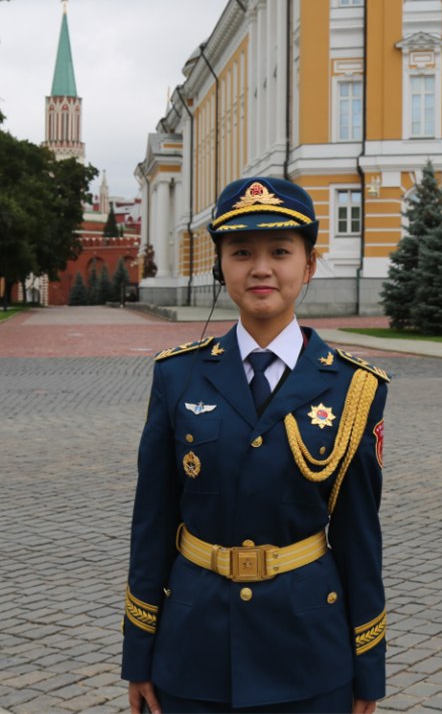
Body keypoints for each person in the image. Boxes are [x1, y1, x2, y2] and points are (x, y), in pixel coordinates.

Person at [122, 177, 388, 714]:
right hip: (192, 651)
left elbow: (360, 537)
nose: (261, 268)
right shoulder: (178, 377)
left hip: (310, 656)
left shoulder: (354, 388)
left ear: (309, 266)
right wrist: (139, 654)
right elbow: (152, 521)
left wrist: (369, 671)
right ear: (221, 266)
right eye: (241, 252)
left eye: (280, 252)